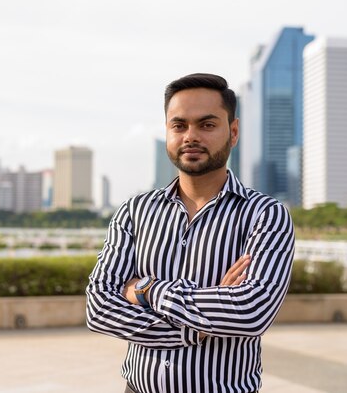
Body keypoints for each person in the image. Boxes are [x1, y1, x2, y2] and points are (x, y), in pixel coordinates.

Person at [86, 73, 295, 393]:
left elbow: (252, 311)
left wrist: (146, 289)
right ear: (168, 132)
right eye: (179, 125)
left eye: (207, 125)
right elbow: (99, 306)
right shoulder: (134, 212)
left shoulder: (264, 215)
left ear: (233, 131)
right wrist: (196, 329)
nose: (191, 136)